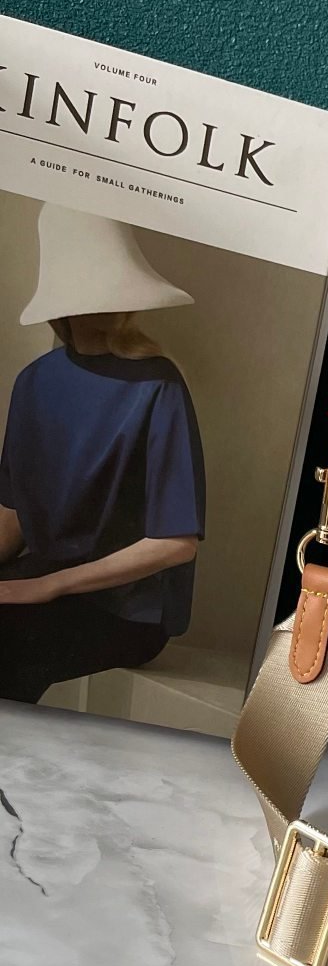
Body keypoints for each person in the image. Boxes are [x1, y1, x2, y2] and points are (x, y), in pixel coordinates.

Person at [0, 204, 206, 704]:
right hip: (41, 582)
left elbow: (176, 542)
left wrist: (51, 585)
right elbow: (15, 513)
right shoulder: (34, 383)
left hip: (128, 610)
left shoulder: (158, 385)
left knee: (11, 647)